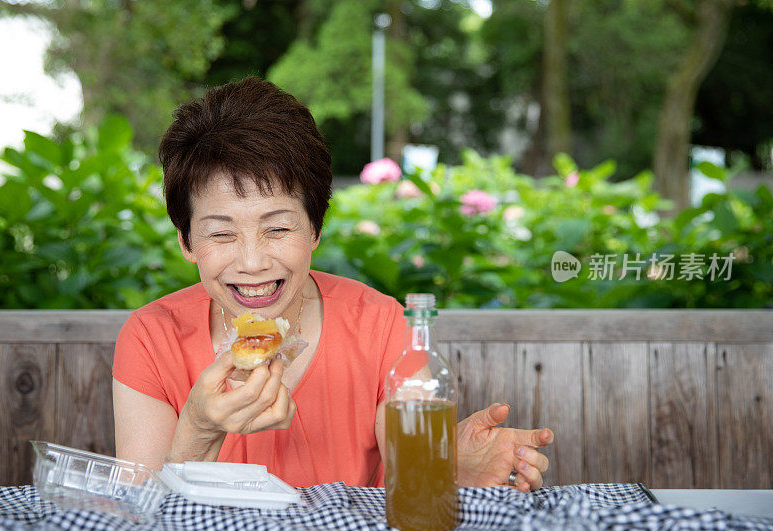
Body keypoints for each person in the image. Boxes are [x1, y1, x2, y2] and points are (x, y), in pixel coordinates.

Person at [112, 76, 554, 490]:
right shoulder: (152, 339)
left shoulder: (382, 328)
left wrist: (451, 467)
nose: (251, 262)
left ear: (315, 230)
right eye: (222, 233)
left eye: (278, 228)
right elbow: (137, 514)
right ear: (187, 241)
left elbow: (413, 468)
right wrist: (198, 430)